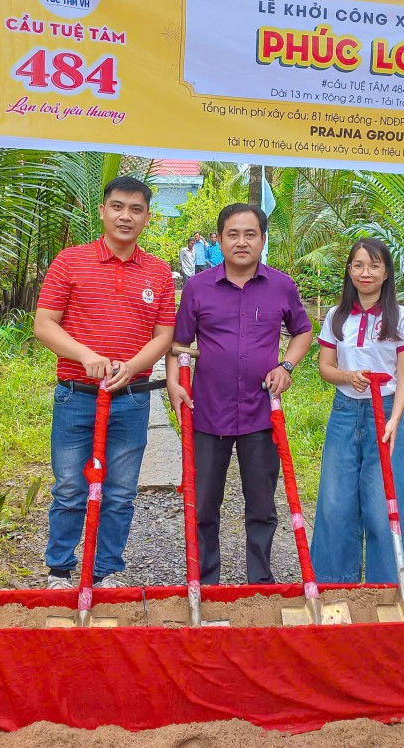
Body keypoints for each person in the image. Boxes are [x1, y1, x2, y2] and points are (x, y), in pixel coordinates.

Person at [34, 176, 176, 590]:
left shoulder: (159, 272)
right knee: (69, 488)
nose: (125, 216)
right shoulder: (70, 261)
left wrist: (131, 367)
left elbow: (164, 336)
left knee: (120, 492)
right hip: (76, 396)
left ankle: (105, 572)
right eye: (117, 207)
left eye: (135, 209)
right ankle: (60, 571)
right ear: (102, 211)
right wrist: (86, 356)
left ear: (147, 217)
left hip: (131, 400)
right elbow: (44, 324)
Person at [166, 204, 313, 584]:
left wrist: (287, 366)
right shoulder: (198, 288)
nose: (242, 242)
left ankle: (260, 583)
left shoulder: (282, 285)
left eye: (250, 234)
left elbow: (303, 331)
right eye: (233, 234)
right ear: (219, 239)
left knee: (262, 506)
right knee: (202, 505)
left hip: (260, 413)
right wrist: (173, 383)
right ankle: (205, 584)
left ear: (263, 239)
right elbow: (178, 343)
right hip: (207, 411)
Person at [310, 237, 404, 586]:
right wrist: (348, 376)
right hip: (344, 413)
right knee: (335, 502)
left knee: (384, 504)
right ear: (349, 271)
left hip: (385, 413)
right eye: (358, 265)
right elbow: (325, 367)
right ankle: (333, 587)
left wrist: (394, 419)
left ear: (386, 272)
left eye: (374, 265)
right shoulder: (336, 316)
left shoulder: (401, 317)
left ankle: (389, 589)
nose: (365, 272)